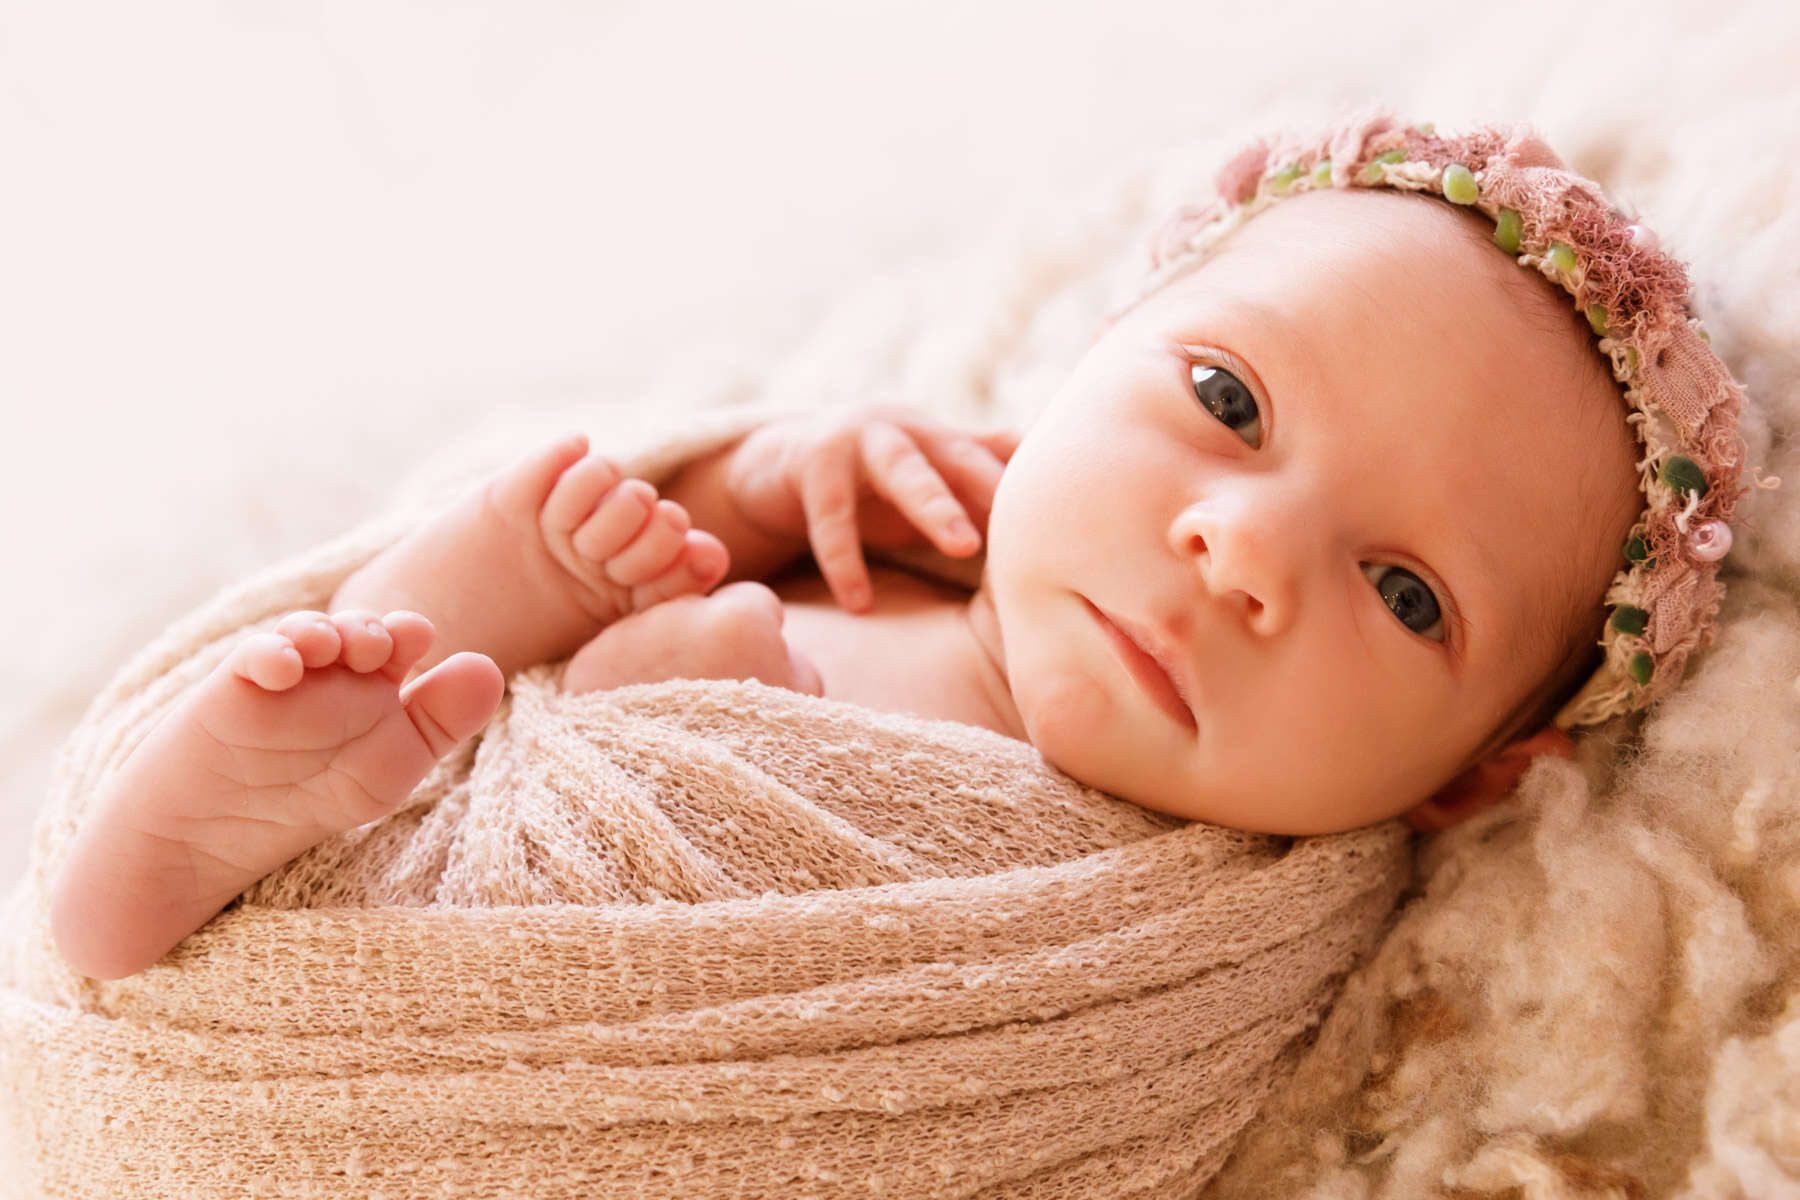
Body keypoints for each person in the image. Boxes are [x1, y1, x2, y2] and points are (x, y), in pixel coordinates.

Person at [46, 114, 1755, 981]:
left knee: (682, 658)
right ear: (1091, 351)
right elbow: (698, 522)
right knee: (454, 641)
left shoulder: (1223, 935)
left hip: (596, 1023)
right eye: (1228, 398)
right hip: (440, 821)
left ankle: (638, 714)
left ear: (1467, 780)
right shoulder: (891, 544)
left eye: (1404, 595)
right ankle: (203, 833)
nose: (1239, 553)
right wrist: (751, 483)